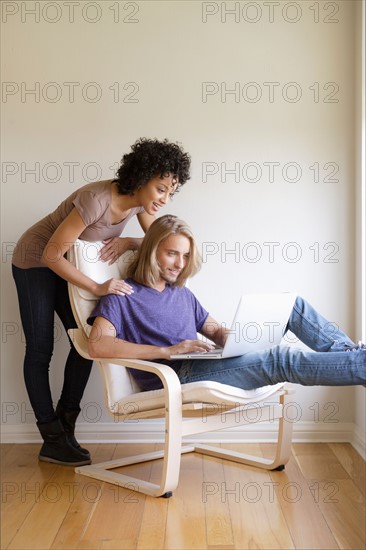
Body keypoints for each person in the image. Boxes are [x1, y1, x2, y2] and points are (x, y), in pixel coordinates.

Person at [12, 139, 191, 466]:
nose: (164, 199)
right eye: (161, 189)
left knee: (86, 341)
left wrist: (126, 241)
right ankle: (51, 436)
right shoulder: (96, 200)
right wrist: (97, 285)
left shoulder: (141, 204)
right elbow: (51, 254)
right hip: (36, 262)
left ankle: (67, 426)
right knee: (40, 350)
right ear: (142, 177)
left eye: (170, 193)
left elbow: (159, 243)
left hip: (68, 264)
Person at [87, 215, 366, 395]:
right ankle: (361, 363)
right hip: (176, 376)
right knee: (280, 359)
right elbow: (97, 345)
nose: (180, 264)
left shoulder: (182, 294)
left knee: (294, 306)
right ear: (151, 251)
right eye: (172, 254)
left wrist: (242, 338)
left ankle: (354, 356)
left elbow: (216, 332)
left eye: (185, 255)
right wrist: (167, 351)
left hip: (202, 363)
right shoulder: (122, 294)